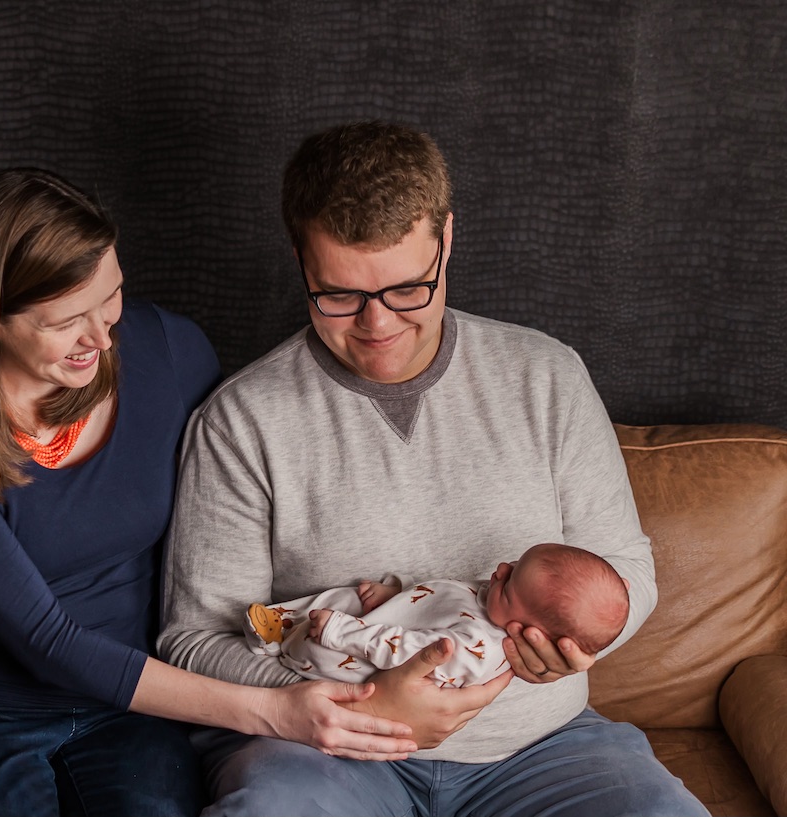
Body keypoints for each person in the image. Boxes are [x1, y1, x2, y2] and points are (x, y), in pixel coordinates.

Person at [158, 122, 709, 815]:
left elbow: (629, 569)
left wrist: (570, 641)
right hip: (325, 755)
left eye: (406, 290)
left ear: (446, 241)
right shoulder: (242, 420)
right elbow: (193, 639)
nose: (377, 324)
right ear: (301, 260)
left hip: (541, 750)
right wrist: (350, 704)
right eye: (339, 295)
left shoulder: (547, 378)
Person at [0, 167, 417, 817]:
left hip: (129, 715)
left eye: (111, 297)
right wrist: (272, 710)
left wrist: (366, 598)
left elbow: (248, 505)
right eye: (67, 320)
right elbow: (45, 637)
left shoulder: (168, 350)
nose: (102, 337)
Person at [245, 543, 629, 688]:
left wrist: (344, 633)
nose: (499, 570)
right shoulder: (490, 601)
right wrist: (396, 594)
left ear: (530, 635)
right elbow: (440, 594)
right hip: (383, 621)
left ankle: (281, 643)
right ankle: (278, 626)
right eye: (513, 563)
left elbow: (411, 652)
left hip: (359, 657)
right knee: (342, 597)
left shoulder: (479, 647)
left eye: (509, 584)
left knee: (324, 639)